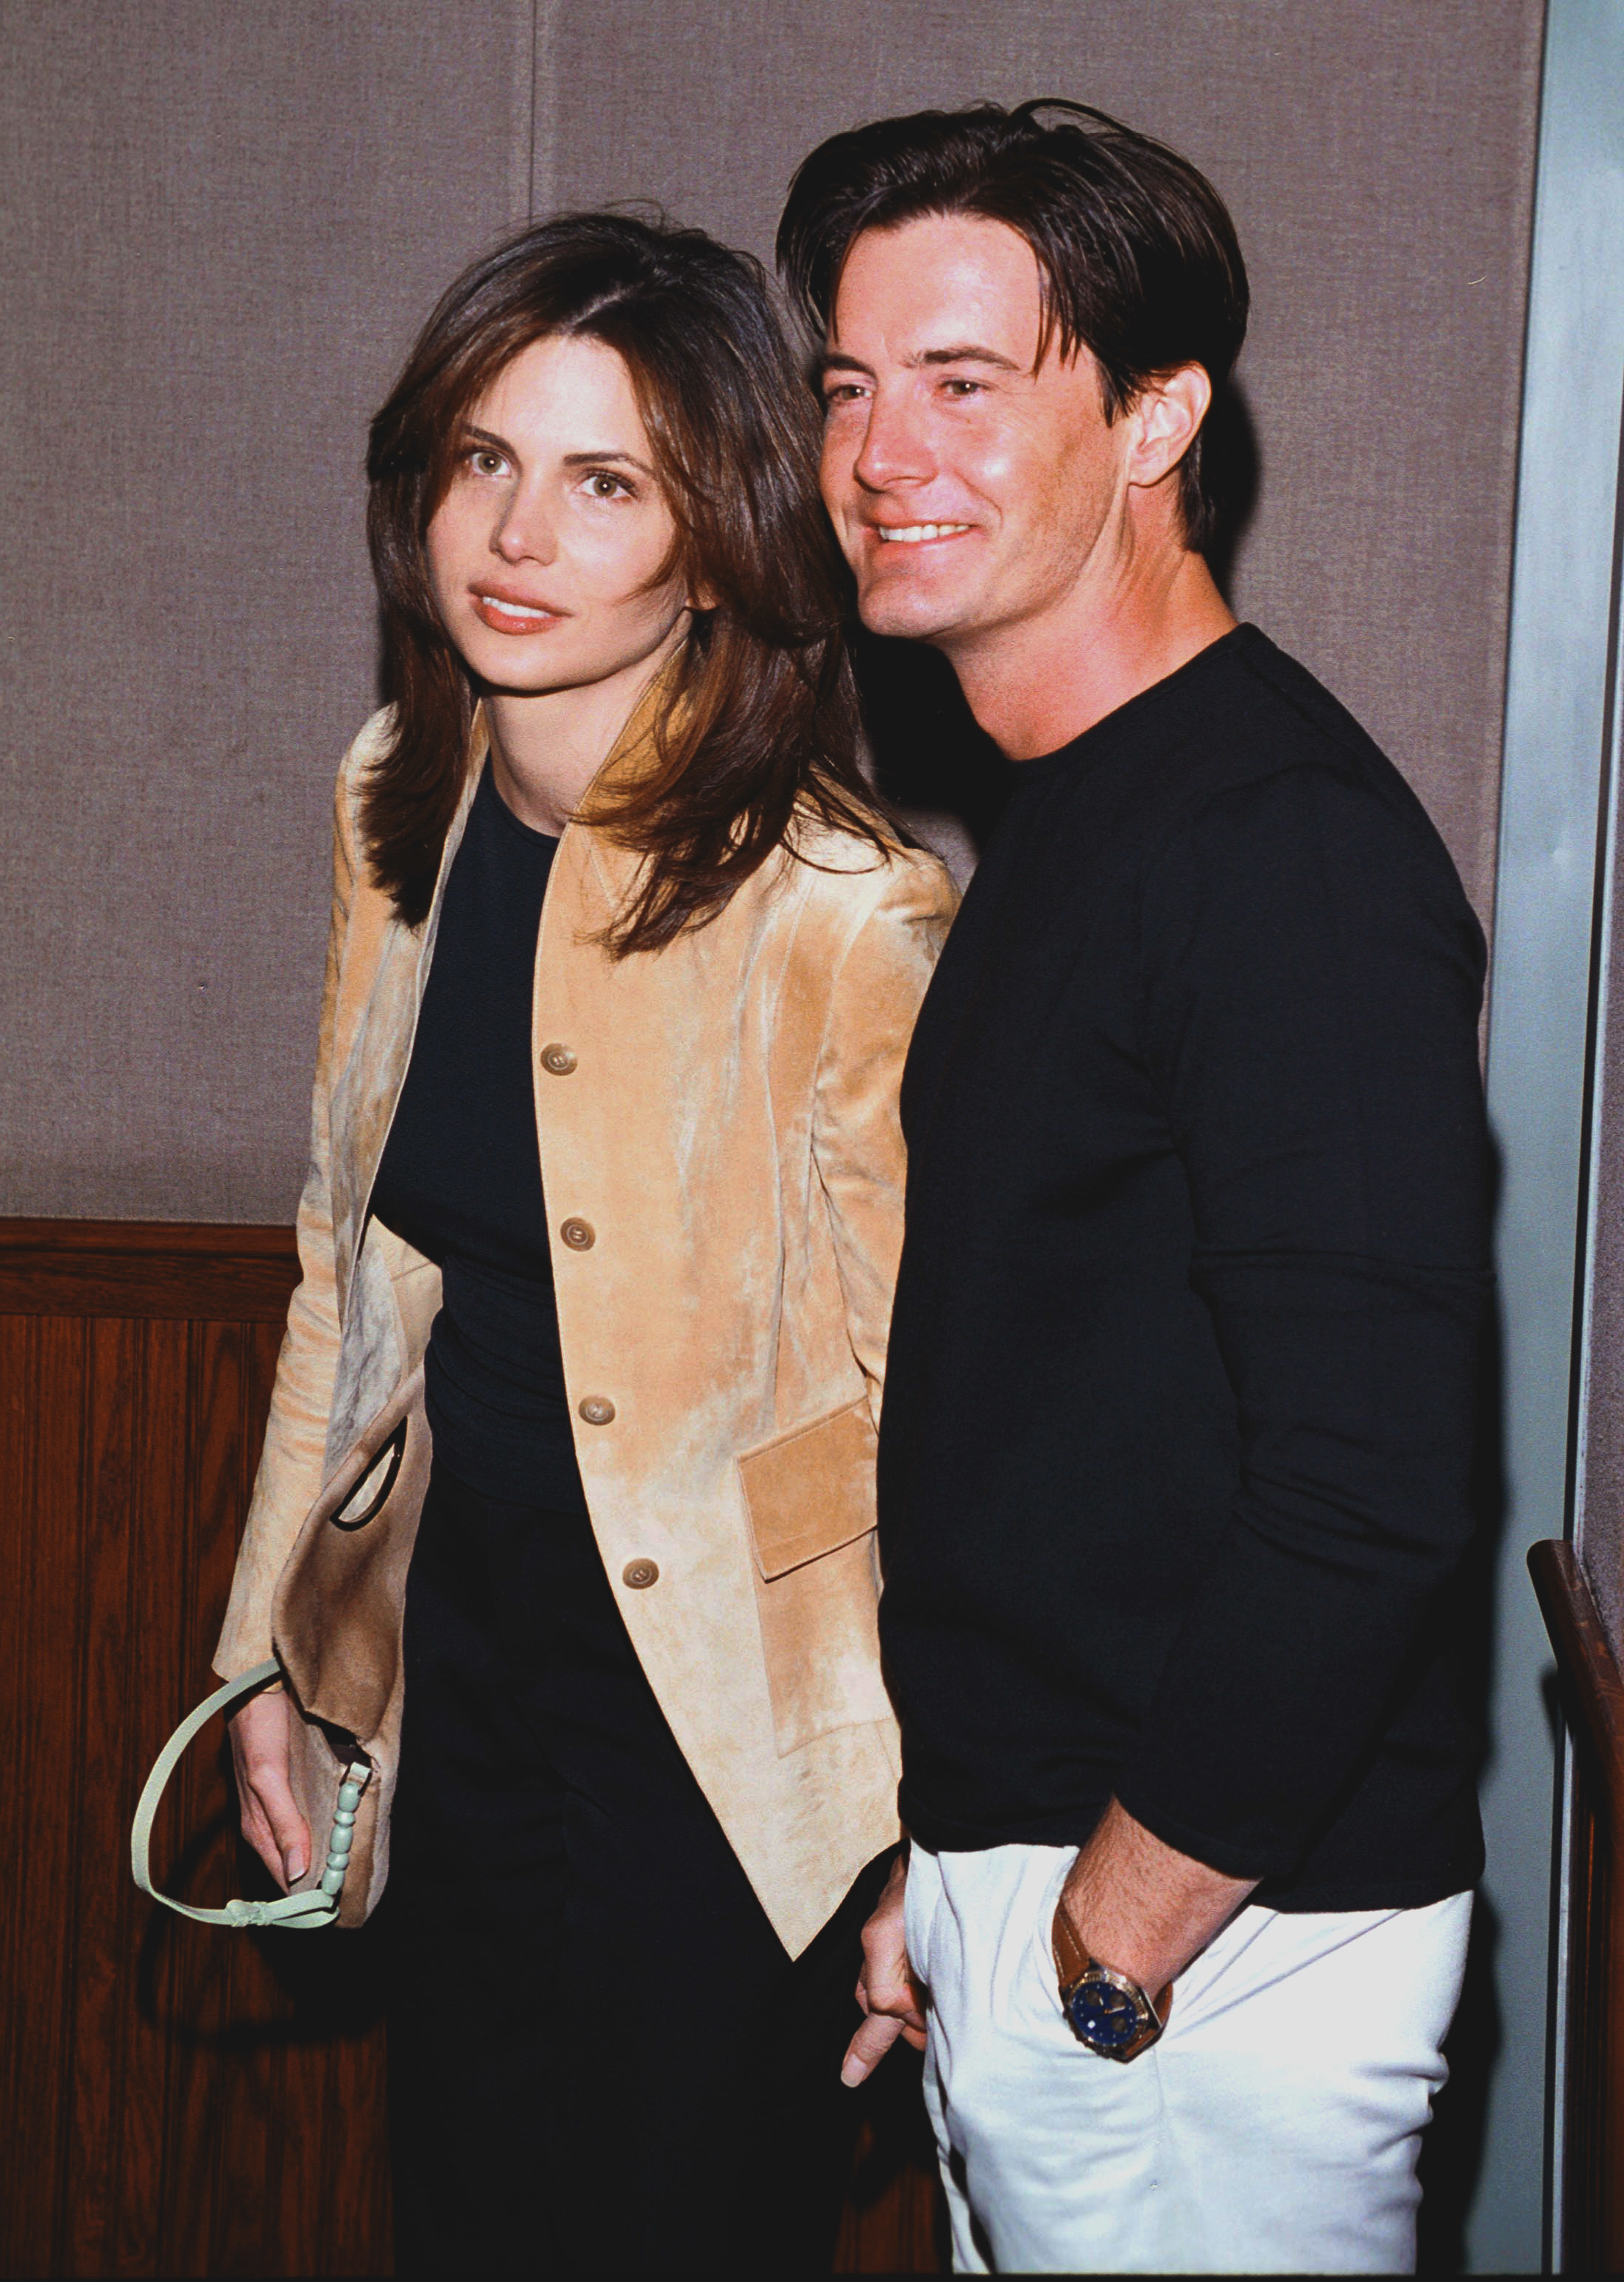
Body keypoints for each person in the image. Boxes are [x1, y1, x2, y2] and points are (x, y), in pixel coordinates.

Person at [777, 102, 1491, 2275]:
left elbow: (1368, 1482)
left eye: (967, 381)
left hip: (1206, 1951)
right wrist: (966, 1863)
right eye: (848, 381)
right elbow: (1076, 1429)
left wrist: (1102, 1936)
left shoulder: (1268, 841)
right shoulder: (1081, 816)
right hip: (1083, 1898)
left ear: (1160, 412)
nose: (884, 448)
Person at [212, 211, 956, 2275]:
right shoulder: (397, 806)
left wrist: (929, 1836)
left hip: (724, 1744)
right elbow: (343, 1276)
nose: (515, 532)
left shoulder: (844, 912)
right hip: (463, 1690)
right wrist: (266, 1643)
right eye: (481, 459)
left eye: (603, 480)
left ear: (714, 533)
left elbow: (933, 1416)